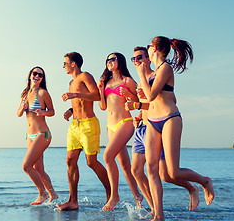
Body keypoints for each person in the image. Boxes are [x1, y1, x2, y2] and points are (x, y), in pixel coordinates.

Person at [136, 37, 214, 221]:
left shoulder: (166, 68)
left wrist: (141, 77)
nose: (147, 49)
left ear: (155, 49)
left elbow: (153, 95)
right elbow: (150, 98)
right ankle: (159, 217)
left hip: (170, 119)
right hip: (152, 122)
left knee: (173, 172)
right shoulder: (155, 72)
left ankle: (205, 181)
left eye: (149, 46)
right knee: (152, 170)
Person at [127, 46, 200, 216]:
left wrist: (138, 104)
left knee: (167, 175)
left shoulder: (159, 74)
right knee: (137, 170)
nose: (136, 61)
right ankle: (155, 210)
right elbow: (151, 106)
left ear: (148, 57)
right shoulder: (142, 81)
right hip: (144, 126)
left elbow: (166, 100)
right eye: (133, 59)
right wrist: (139, 114)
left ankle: (192, 187)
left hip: (160, 124)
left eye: (139, 57)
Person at [57, 52, 111, 211]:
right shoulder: (71, 81)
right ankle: (73, 201)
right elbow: (79, 102)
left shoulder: (85, 76)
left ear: (74, 64)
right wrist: (70, 110)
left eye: (65, 63)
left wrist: (74, 94)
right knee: (70, 161)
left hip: (89, 124)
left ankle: (111, 195)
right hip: (75, 125)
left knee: (91, 162)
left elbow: (96, 95)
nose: (63, 66)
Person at [97, 52, 143, 210]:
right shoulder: (106, 82)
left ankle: (114, 196)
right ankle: (138, 196)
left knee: (107, 156)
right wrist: (101, 90)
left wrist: (129, 94)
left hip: (125, 122)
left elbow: (140, 100)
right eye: (107, 59)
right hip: (110, 126)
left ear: (120, 61)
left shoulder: (127, 80)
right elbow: (103, 107)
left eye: (112, 59)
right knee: (124, 164)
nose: (109, 62)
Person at [17, 66, 58, 205]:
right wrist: (22, 108)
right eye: (35, 73)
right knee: (38, 168)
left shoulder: (43, 93)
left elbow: (52, 111)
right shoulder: (25, 94)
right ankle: (53, 195)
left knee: (26, 166)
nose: (37, 76)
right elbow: (18, 113)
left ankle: (43, 193)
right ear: (30, 75)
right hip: (30, 135)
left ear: (42, 78)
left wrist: (43, 112)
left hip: (42, 134)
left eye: (40, 75)